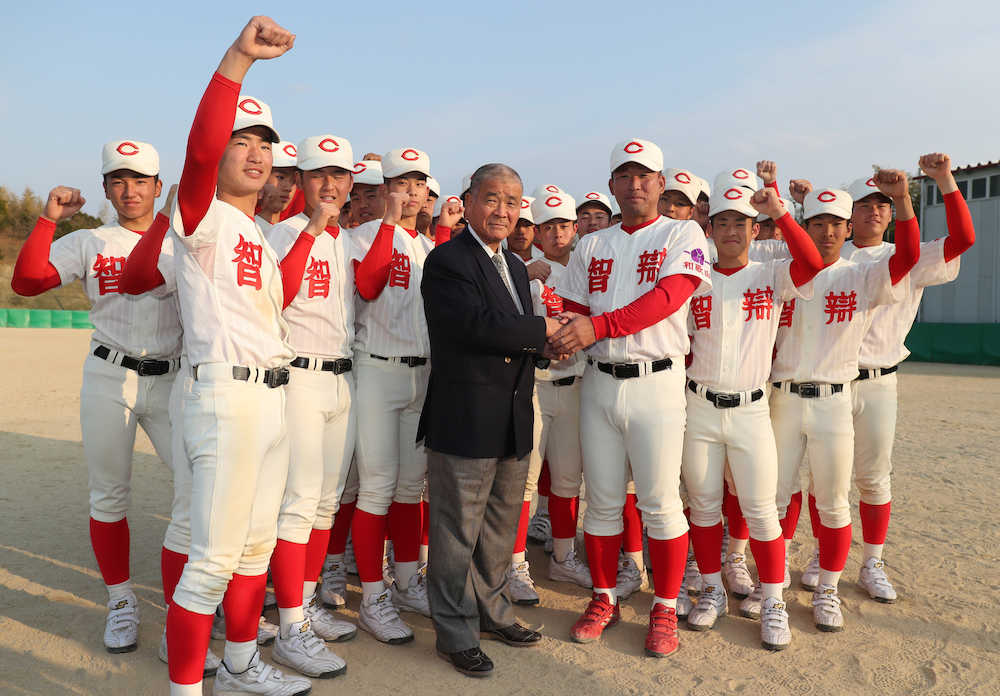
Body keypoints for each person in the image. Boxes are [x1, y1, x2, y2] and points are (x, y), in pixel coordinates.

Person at [161, 16, 313, 695]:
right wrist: (236, 61)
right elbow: (196, 156)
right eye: (240, 140)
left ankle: (241, 666)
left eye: (265, 145)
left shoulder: (256, 228)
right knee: (213, 560)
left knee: (256, 548)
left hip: (269, 399)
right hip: (224, 398)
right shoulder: (198, 214)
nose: (255, 154)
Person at [11, 141, 178, 656]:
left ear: (157, 185)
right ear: (105, 188)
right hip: (110, 375)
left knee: (197, 489)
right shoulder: (90, 240)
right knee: (109, 494)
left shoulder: (183, 239)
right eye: (118, 181)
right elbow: (27, 282)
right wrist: (47, 220)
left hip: (173, 378)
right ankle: (122, 600)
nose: (129, 191)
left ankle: (186, 603)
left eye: (140, 180)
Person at [551, 138, 712, 658]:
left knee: (661, 503)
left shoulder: (683, 231)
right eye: (625, 175)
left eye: (645, 175)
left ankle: (664, 606)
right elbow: (573, 304)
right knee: (600, 504)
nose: (635, 183)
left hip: (656, 383)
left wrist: (593, 326)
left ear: (662, 184)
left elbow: (669, 299)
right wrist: (556, 332)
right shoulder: (593, 243)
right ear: (612, 184)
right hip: (598, 381)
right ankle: (604, 598)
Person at [792, 155, 975, 600]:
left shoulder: (906, 255)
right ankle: (823, 552)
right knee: (824, 480)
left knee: (873, 477)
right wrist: (802, 205)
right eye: (864, 203)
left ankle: (872, 561)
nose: (874, 210)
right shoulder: (831, 257)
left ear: (893, 212)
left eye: (882, 203)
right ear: (847, 216)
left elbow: (963, 239)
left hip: (877, 381)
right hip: (831, 382)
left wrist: (944, 181)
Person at [418, 163, 559, 677]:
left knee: (499, 529)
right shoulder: (447, 260)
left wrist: (545, 346)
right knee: (456, 532)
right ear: (470, 201)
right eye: (492, 198)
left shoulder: (518, 267)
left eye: (513, 201)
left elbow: (517, 335)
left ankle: (493, 611)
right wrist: (545, 331)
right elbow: (477, 326)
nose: (503, 211)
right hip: (467, 416)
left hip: (513, 417)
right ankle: (454, 632)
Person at [769, 173, 919, 633]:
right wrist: (779, 208)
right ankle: (771, 591)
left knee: (835, 500)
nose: (829, 231)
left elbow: (910, 255)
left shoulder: (863, 274)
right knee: (772, 499)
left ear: (848, 228)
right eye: (819, 222)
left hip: (837, 396)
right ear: (804, 225)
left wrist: (903, 200)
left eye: (837, 223)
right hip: (785, 398)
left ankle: (829, 590)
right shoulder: (781, 269)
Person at [681, 185, 822, 649]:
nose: (730, 231)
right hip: (699, 405)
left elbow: (812, 263)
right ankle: (710, 589)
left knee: (761, 509)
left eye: (740, 223)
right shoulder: (693, 277)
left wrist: (780, 209)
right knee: (702, 507)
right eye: (721, 222)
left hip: (751, 408)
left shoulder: (771, 273)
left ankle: (775, 600)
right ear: (710, 228)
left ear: (754, 229)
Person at [264, 133, 365, 678]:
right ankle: (289, 624)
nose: (330, 184)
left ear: (351, 182)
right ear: (299, 180)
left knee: (325, 503)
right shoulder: (277, 234)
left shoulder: (347, 241)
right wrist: (314, 228)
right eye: (318, 174)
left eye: (340, 175)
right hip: (298, 376)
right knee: (297, 504)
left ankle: (300, 610)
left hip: (341, 379)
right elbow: (277, 291)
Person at [350, 146, 447, 644]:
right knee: (376, 487)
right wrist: (387, 223)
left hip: (421, 374)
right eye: (399, 182)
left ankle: (408, 581)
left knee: (411, 488)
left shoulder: (430, 248)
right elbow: (367, 286)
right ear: (384, 185)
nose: (408, 193)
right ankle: (372, 596)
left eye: (417, 184)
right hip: (376, 370)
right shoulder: (359, 236)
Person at [255, 140, 299, 233]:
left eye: (294, 181)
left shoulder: (293, 232)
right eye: (280, 177)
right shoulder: (242, 225)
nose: (289, 188)